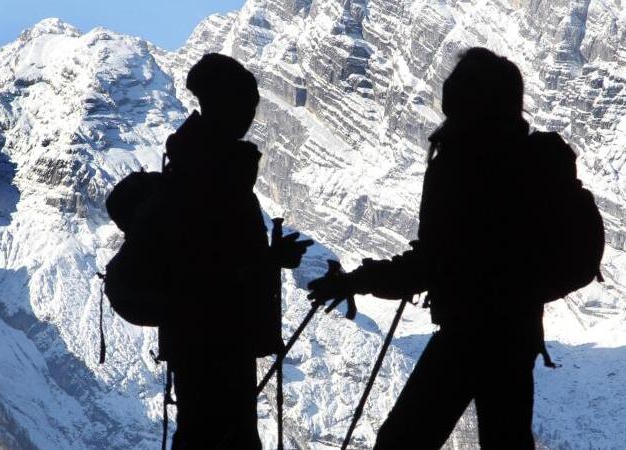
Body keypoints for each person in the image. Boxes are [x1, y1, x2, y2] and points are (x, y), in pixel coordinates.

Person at [308, 48, 587, 450]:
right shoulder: (519, 157)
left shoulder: (463, 162)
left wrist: (360, 280)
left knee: (403, 440)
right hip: (515, 330)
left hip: (469, 331)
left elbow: (433, 261)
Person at [158, 53, 311, 450]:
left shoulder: (196, 163)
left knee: (202, 433)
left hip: (201, 337)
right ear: (228, 106)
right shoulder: (214, 172)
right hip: (217, 337)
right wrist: (270, 261)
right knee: (223, 437)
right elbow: (212, 263)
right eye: (246, 106)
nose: (250, 117)